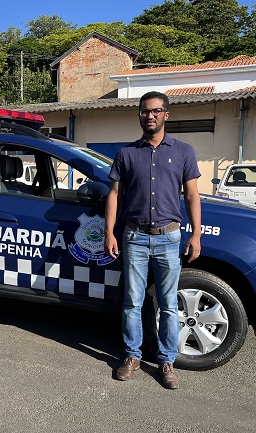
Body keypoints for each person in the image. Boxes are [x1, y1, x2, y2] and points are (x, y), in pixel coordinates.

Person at [104, 91, 201, 389]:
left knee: (169, 304)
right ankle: (132, 356)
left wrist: (196, 233)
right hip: (133, 236)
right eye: (145, 111)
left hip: (169, 237)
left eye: (156, 111)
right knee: (132, 302)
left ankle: (166, 360)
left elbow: (192, 195)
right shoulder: (126, 154)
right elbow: (114, 194)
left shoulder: (184, 152)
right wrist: (110, 231)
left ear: (166, 115)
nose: (150, 116)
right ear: (139, 115)